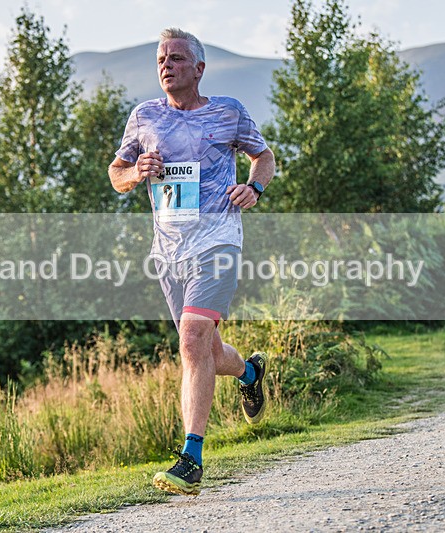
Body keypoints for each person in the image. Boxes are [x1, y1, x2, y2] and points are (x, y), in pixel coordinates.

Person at [108, 27, 275, 496]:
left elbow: (265, 158)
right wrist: (135, 172)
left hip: (218, 239)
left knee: (192, 337)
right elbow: (116, 174)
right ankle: (249, 372)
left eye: (177, 58)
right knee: (203, 349)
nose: (167, 65)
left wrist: (254, 187)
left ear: (198, 69)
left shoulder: (228, 112)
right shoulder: (144, 118)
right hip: (169, 250)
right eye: (162, 58)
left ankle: (192, 458)